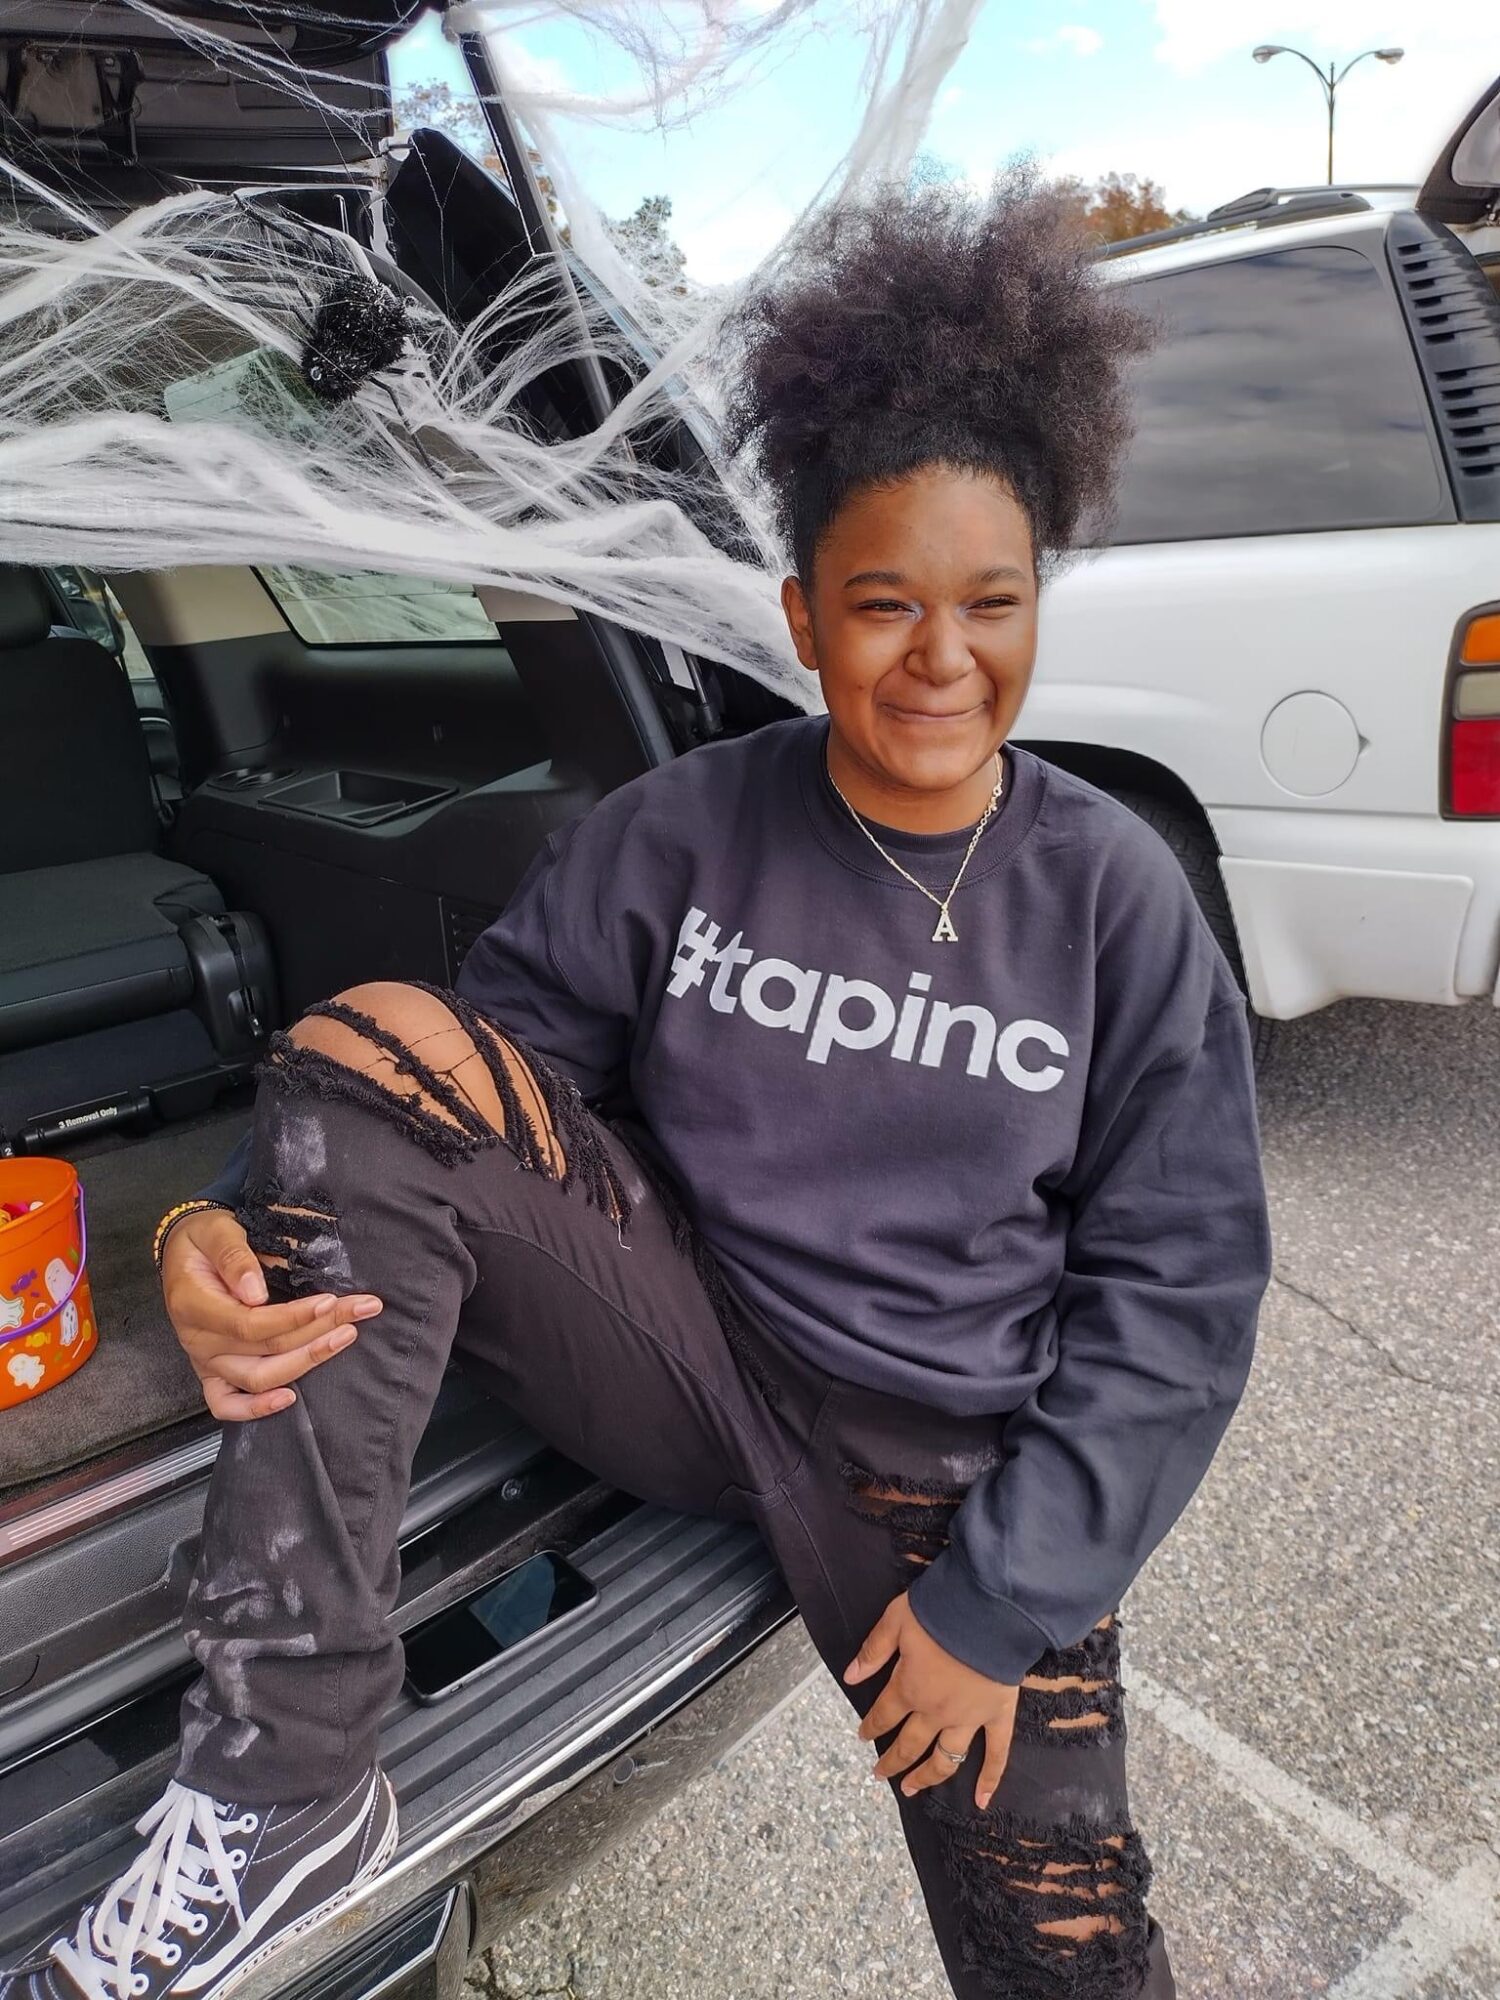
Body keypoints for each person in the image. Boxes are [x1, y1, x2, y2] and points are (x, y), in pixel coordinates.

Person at [4, 169, 1272, 2000]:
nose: (939, 660)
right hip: (679, 1352)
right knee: (357, 1036)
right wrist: (228, 1220)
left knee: (1074, 1962)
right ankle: (285, 1783)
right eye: (882, 603)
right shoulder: (683, 828)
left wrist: (1001, 1600)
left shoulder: (1112, 898)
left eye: (990, 604)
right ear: (801, 608)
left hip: (945, 1467)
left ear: (1036, 600)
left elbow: (1183, 1296)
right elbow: (452, 1091)